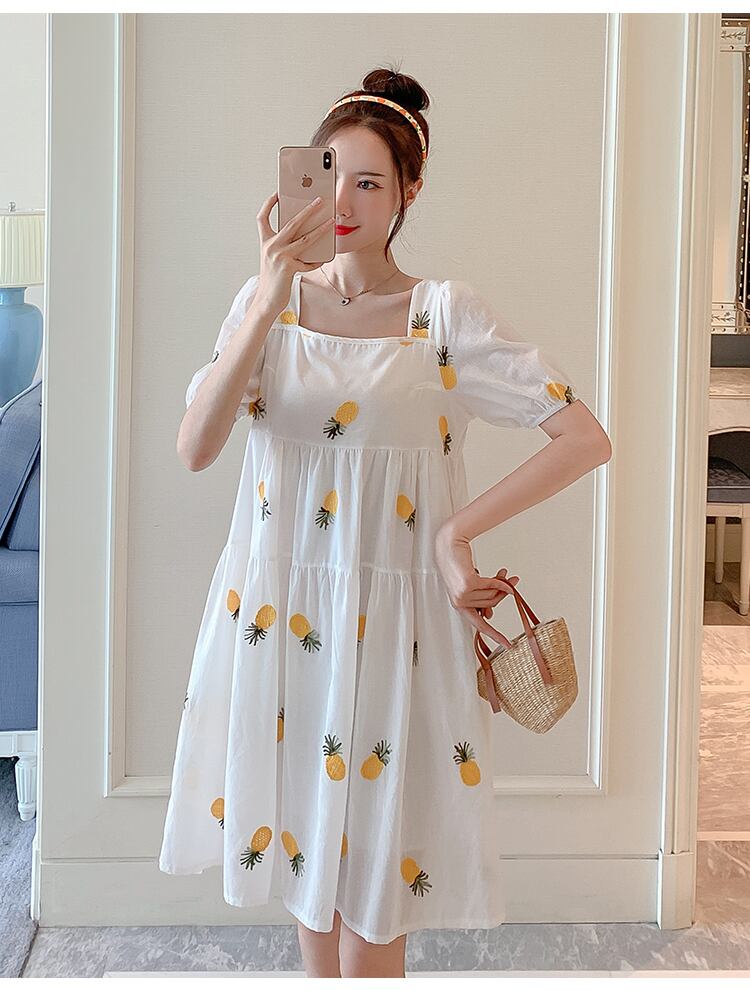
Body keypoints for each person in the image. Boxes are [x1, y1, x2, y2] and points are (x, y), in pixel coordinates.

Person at [158, 66, 612, 979]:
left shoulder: (443, 317)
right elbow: (197, 446)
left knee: (374, 909)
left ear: (410, 191)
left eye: (370, 182)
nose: (343, 201)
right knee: (309, 895)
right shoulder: (268, 306)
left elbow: (583, 437)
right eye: (329, 175)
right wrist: (267, 293)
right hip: (282, 625)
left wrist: (453, 534)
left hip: (396, 635)